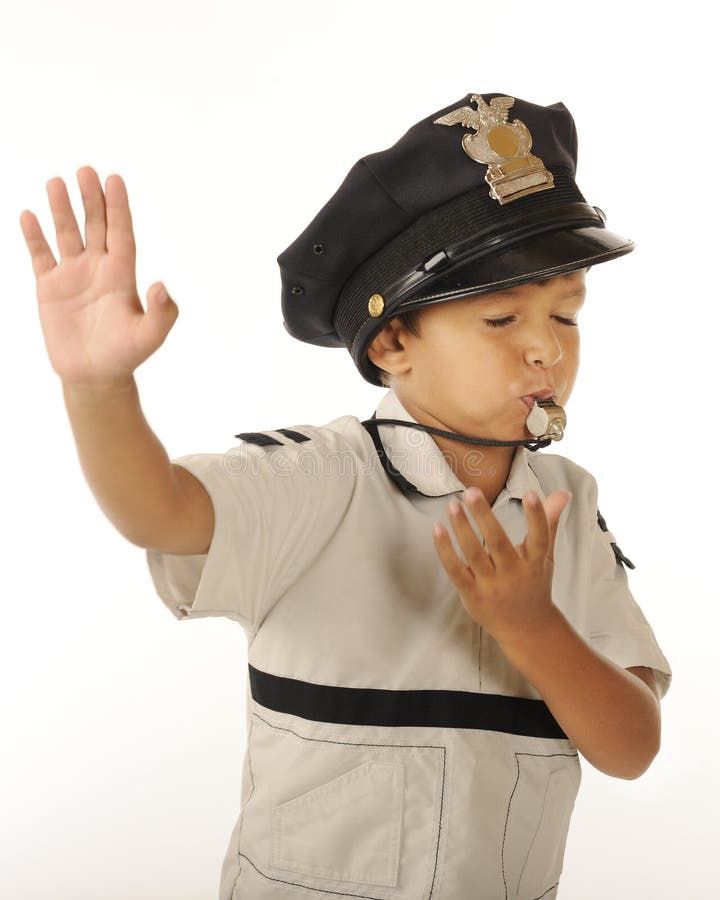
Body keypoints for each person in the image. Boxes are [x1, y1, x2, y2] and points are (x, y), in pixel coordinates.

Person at [21, 92, 671, 900]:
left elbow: (631, 748)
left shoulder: (567, 506)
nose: (545, 347)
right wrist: (99, 388)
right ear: (394, 342)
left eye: (566, 316)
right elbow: (161, 510)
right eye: (502, 319)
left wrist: (533, 628)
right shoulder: (321, 479)